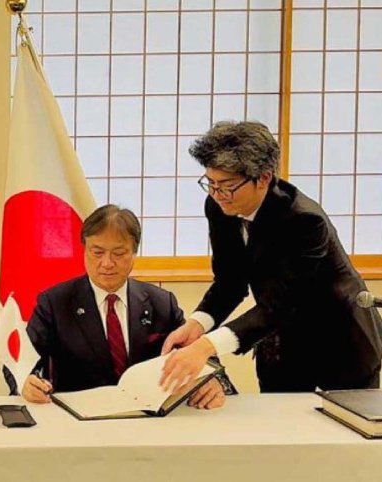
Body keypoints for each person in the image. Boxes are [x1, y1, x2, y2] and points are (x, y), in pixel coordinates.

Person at [160, 121, 382, 393]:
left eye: (227, 185)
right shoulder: (219, 207)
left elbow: (283, 303)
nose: (218, 195)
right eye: (211, 183)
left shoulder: (304, 220)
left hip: (340, 339)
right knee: (277, 416)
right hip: (282, 343)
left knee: (343, 418)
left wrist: (207, 346)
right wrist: (198, 324)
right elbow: (230, 281)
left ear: (264, 178)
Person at [22, 204, 233, 409]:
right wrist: (26, 381)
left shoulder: (161, 302)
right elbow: (23, 361)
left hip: (148, 416)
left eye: (119, 253)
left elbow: (198, 352)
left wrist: (213, 381)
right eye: (97, 252)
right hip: (77, 417)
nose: (107, 263)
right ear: (84, 250)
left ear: (134, 252)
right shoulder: (55, 302)